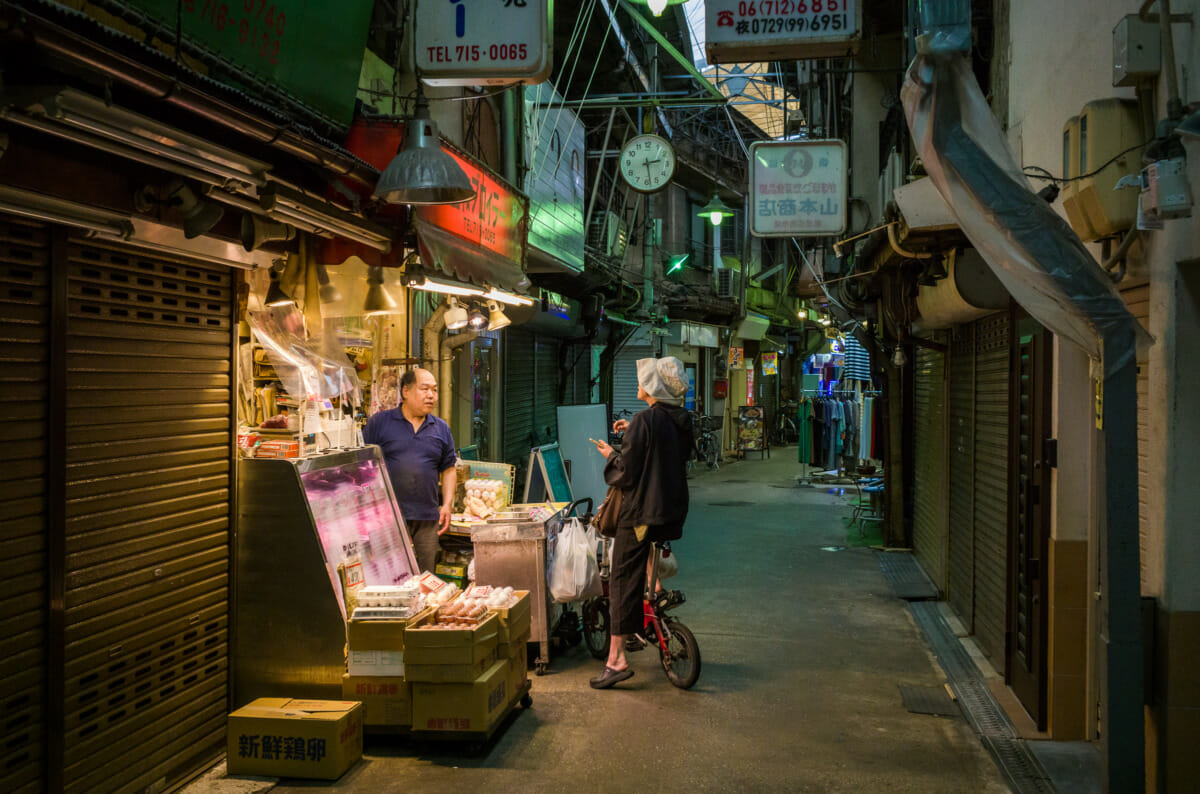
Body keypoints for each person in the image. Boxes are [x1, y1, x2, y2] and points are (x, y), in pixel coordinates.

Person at [590, 356, 693, 689]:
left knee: (620, 576)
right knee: (642, 557)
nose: (638, 384)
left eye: (642, 380)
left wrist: (611, 455)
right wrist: (630, 433)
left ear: (653, 387)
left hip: (641, 514)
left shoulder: (645, 420)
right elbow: (660, 455)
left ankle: (617, 659)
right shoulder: (680, 418)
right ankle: (654, 593)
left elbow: (628, 471)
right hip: (671, 513)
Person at [362, 367, 457, 574]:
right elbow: (364, 467)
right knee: (390, 575)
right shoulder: (379, 423)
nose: (431, 395)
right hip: (388, 518)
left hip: (427, 517)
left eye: (434, 390)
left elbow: (449, 469)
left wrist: (447, 504)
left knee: (426, 577)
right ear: (406, 391)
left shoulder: (441, 428)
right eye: (424, 389)